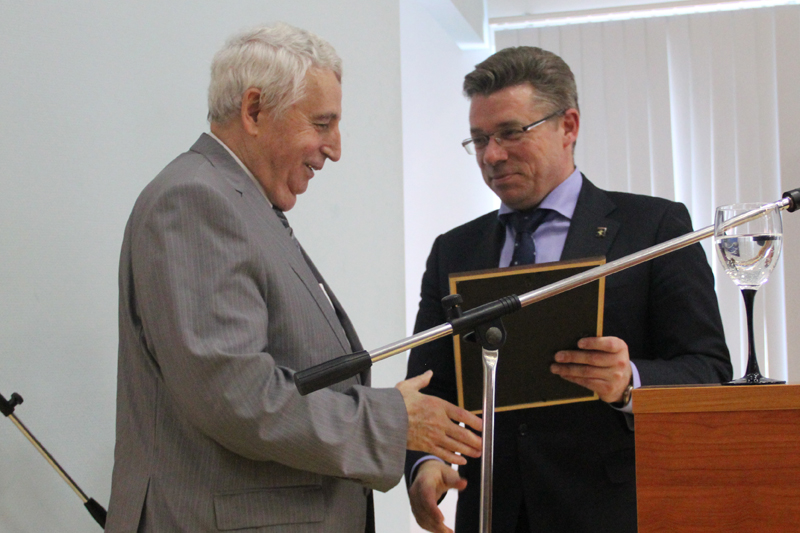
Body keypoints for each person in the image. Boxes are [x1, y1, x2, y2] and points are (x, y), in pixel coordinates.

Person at [106, 23, 482, 533]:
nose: (336, 148)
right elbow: (237, 396)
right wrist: (393, 420)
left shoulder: (238, 200)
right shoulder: (195, 200)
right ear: (254, 110)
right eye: (322, 123)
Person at [404, 46, 732, 533]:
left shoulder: (653, 228)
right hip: (492, 513)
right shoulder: (454, 249)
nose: (492, 155)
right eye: (480, 139)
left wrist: (629, 381)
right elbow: (430, 385)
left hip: (611, 512)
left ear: (569, 126)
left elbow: (708, 371)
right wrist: (425, 466)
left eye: (511, 132)